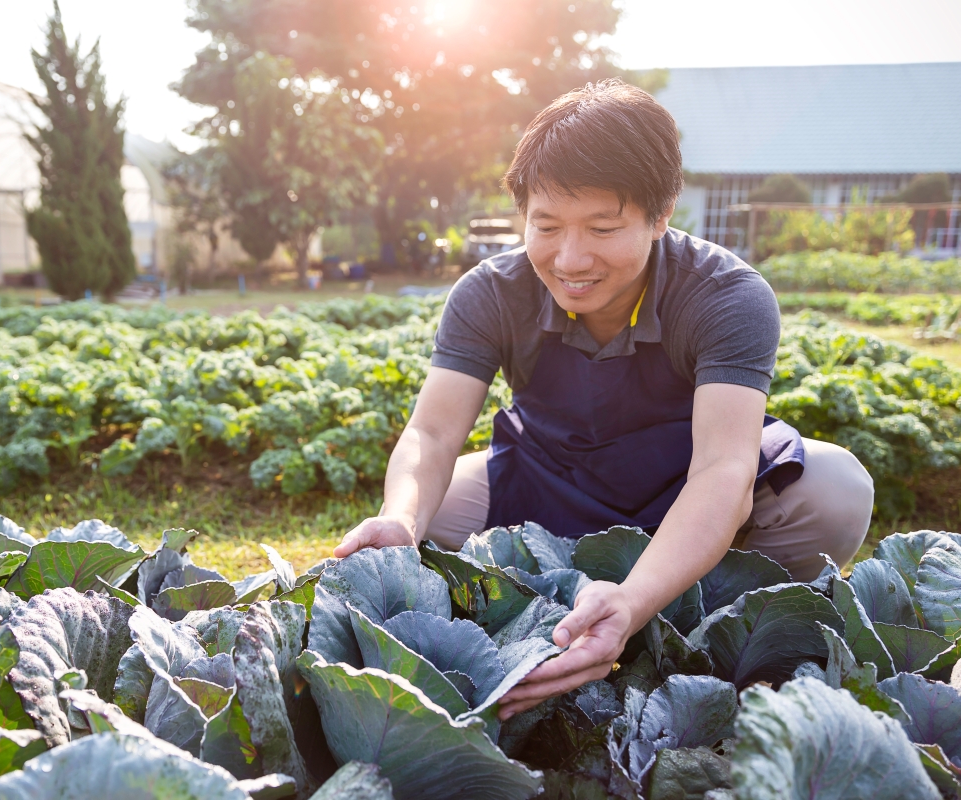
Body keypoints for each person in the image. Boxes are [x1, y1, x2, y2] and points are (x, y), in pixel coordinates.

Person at [333, 80, 874, 721]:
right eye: (547, 226)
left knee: (837, 491)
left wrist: (634, 601)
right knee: (432, 511)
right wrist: (401, 516)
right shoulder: (490, 293)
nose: (569, 258)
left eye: (603, 227)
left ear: (661, 213)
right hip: (551, 475)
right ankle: (585, 585)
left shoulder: (727, 296)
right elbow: (433, 434)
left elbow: (723, 471)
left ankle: (678, 594)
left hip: (688, 483)